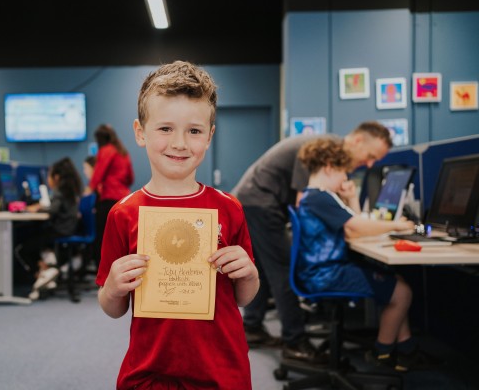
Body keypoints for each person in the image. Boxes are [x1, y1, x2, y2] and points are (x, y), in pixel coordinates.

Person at [96, 60, 260, 389]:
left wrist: (249, 274)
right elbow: (113, 307)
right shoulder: (123, 214)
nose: (180, 143)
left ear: (209, 136)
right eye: (165, 129)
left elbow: (243, 298)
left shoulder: (228, 208)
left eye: (194, 131)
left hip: (221, 371)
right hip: (150, 371)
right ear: (140, 133)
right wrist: (113, 287)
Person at [232, 121, 393, 362]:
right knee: (282, 269)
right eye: (370, 156)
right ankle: (295, 341)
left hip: (253, 201)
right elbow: (303, 201)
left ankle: (252, 327)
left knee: (264, 268)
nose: (370, 164)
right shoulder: (321, 150)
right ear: (358, 141)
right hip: (260, 202)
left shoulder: (327, 151)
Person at [296, 137, 431, 372]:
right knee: (402, 293)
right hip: (327, 275)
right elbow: (356, 227)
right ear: (329, 167)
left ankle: (406, 350)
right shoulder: (321, 197)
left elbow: (353, 226)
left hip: (321, 271)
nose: (345, 178)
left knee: (396, 282)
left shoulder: (314, 196)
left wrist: (350, 198)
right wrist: (396, 225)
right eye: (344, 172)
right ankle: (382, 353)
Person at [17, 157, 83, 300]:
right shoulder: (70, 190)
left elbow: (53, 210)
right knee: (36, 239)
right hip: (69, 228)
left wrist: (36, 209)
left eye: (49, 175)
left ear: (57, 177)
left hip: (60, 230)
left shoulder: (60, 191)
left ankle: (44, 273)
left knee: (23, 248)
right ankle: (46, 270)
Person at [85, 124, 134, 269]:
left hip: (109, 200)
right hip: (124, 199)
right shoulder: (123, 152)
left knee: (103, 238)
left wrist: (88, 191)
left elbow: (98, 174)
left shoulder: (106, 150)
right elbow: (130, 178)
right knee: (122, 240)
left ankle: (103, 272)